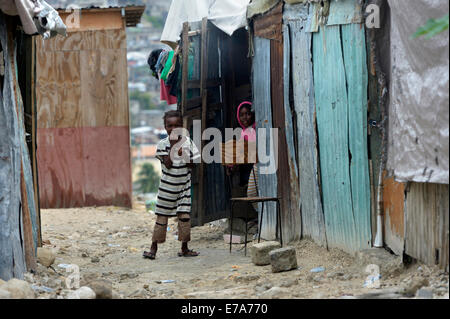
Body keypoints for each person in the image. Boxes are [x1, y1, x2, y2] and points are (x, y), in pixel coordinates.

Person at [143, 110, 200, 259]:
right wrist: (174, 148)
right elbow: (167, 164)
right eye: (170, 126)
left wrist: (185, 154)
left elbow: (193, 165)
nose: (173, 129)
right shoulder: (162, 144)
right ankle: (153, 248)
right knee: (161, 219)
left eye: (177, 125)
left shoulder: (188, 143)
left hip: (183, 188)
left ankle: (184, 248)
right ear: (165, 127)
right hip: (167, 189)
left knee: (184, 218)